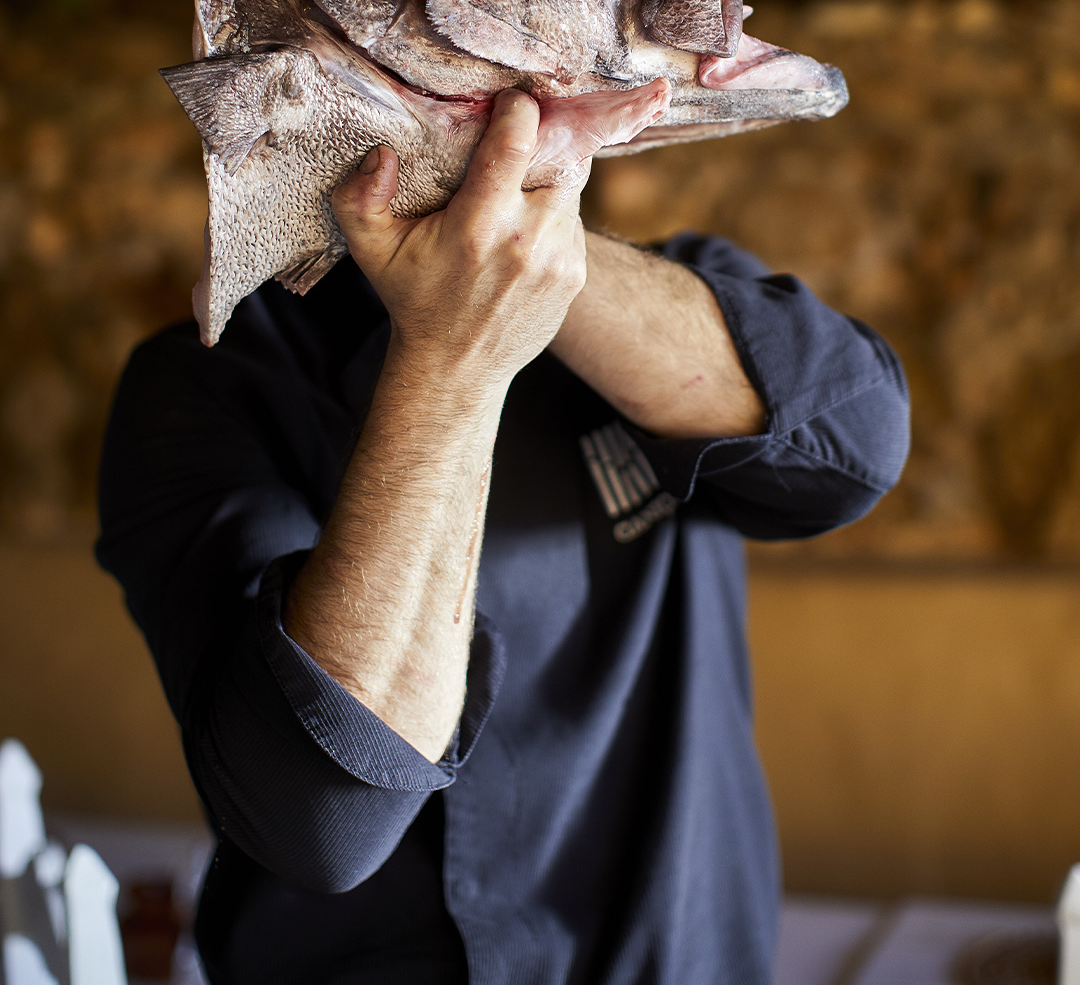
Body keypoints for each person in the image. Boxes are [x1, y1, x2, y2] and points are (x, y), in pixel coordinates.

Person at [98, 88, 909, 985]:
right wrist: (451, 356)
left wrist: (521, 244)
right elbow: (325, 821)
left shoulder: (676, 291)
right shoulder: (201, 385)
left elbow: (855, 450)